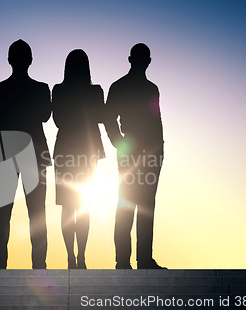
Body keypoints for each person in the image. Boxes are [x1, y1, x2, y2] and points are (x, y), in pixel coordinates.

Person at [0, 39, 52, 269]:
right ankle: (39, 265)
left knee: (2, 213)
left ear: (9, 60)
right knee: (37, 212)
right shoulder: (41, 88)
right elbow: (45, 116)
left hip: (7, 152)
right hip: (34, 153)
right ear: (30, 61)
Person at [105, 43, 166, 269]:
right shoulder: (120, 87)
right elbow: (109, 118)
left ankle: (141, 259)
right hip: (134, 153)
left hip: (148, 153)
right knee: (129, 204)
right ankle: (124, 260)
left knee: (142, 205)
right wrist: (119, 142)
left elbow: (155, 120)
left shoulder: (149, 88)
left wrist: (159, 150)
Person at [52, 49, 105, 269]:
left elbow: (57, 120)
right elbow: (100, 116)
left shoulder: (59, 90)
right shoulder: (95, 91)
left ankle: (71, 257)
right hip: (87, 149)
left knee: (68, 207)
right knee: (83, 206)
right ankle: (80, 256)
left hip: (66, 149)